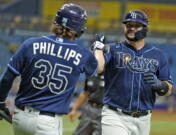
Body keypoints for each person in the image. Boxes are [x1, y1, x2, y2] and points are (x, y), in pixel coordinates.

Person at [0, 3, 103, 135]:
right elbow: (99, 68)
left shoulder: (30, 43)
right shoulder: (82, 54)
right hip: (48, 121)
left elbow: (8, 77)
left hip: (21, 117)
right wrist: (98, 48)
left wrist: (1, 101)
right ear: (79, 28)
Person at [92, 10, 173, 135]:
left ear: (145, 28)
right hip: (115, 115)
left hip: (144, 119)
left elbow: (168, 90)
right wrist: (98, 50)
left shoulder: (158, 55)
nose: (132, 28)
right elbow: (98, 68)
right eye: (129, 25)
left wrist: (160, 86)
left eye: (136, 25)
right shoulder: (113, 49)